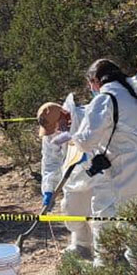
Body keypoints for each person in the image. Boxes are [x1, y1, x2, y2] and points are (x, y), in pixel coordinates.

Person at [72, 59, 137, 265]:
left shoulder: (104, 99)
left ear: (95, 81)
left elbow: (86, 140)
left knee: (136, 234)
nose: (91, 88)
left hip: (135, 173)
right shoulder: (131, 93)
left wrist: (72, 136)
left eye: (90, 84)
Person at [39, 96, 97, 258]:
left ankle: (107, 251)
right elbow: (50, 162)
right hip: (72, 179)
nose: (53, 133)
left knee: (102, 216)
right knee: (72, 210)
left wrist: (88, 157)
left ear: (65, 115)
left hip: (99, 175)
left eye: (55, 127)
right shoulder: (50, 136)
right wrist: (48, 190)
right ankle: (81, 245)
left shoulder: (89, 116)